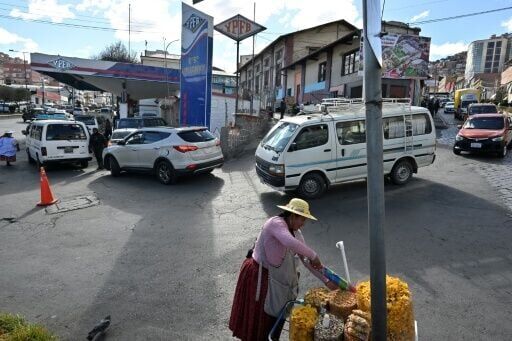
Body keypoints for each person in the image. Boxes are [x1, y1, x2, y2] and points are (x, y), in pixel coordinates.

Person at [229, 198, 336, 341]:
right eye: (302, 219)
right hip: (259, 275)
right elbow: (288, 242)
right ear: (292, 215)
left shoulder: (296, 233)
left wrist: (326, 280)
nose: (303, 224)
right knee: (260, 316)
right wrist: (314, 255)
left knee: (274, 319)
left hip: (276, 280)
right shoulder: (275, 223)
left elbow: (306, 260)